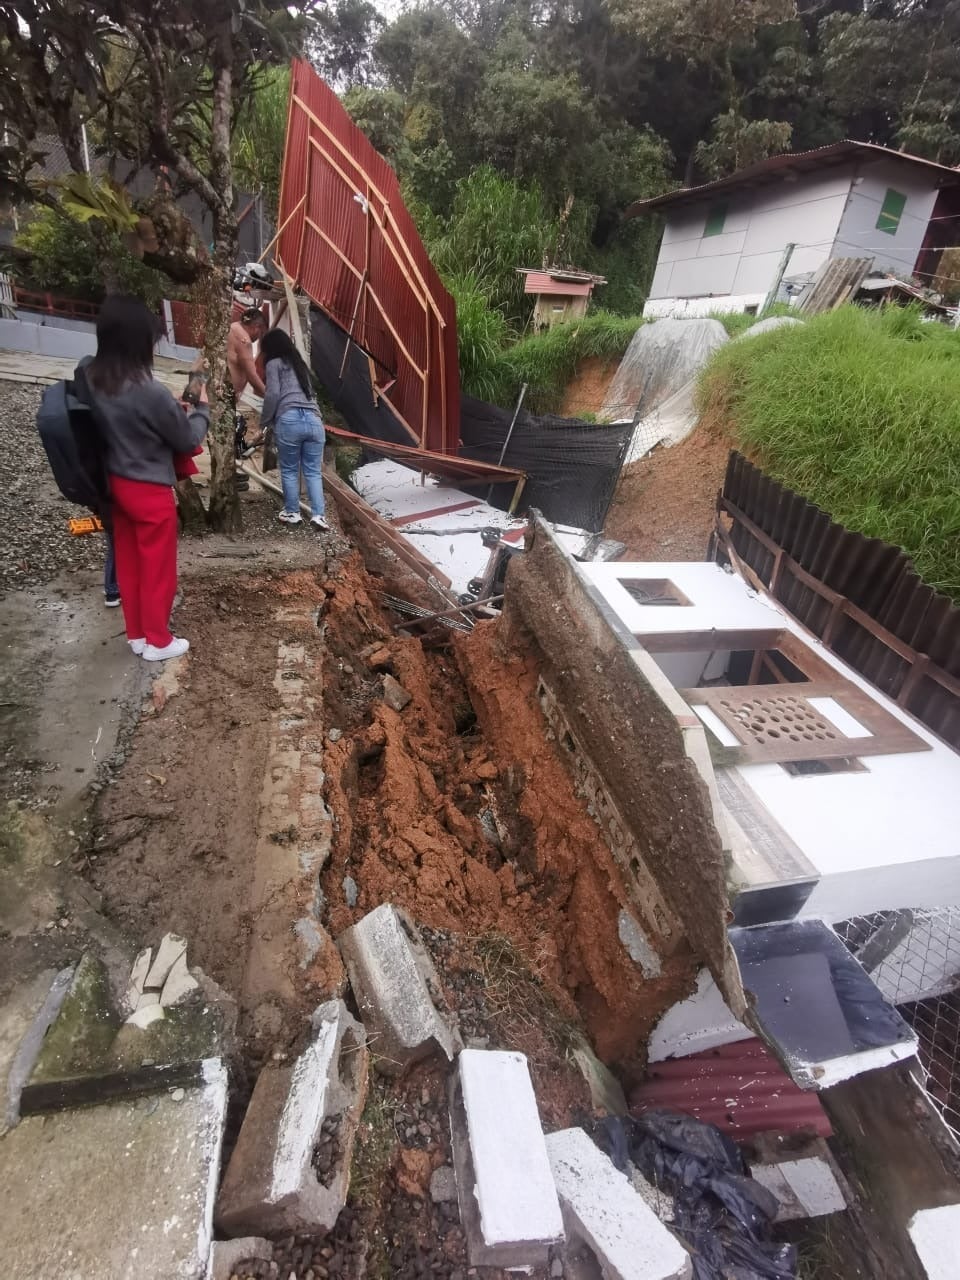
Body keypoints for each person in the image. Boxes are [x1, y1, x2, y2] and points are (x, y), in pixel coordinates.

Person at [86, 295, 209, 661]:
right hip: (148, 489)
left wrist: (171, 408)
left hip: (112, 485)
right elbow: (186, 439)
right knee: (157, 565)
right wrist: (202, 409)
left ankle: (138, 634)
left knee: (129, 562)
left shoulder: (93, 377)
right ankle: (158, 640)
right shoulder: (148, 389)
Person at [259, 329, 329, 531]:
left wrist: (264, 422)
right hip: (314, 421)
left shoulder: (274, 364)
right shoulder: (301, 366)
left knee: (289, 469)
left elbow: (272, 394)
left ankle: (292, 513)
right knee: (313, 471)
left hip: (290, 420)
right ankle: (319, 516)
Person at [227, 306, 267, 460]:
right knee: (227, 437)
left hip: (217, 389)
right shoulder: (244, 340)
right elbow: (252, 376)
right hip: (223, 394)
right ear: (256, 327)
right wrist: (269, 396)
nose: (259, 337)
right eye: (260, 332)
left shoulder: (232, 328)